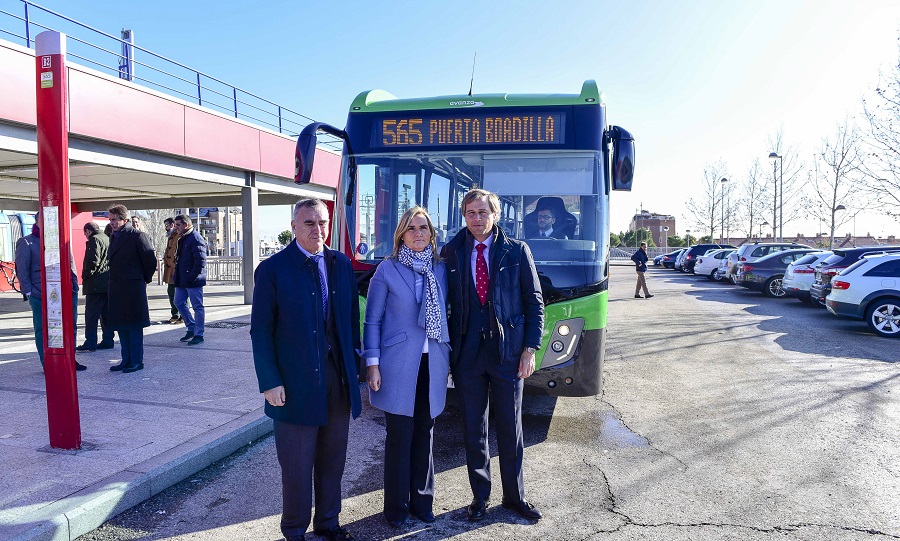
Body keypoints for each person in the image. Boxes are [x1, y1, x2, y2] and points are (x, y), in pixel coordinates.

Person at [251, 198, 362, 541]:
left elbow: (349, 322)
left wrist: (356, 369)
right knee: (297, 466)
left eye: (323, 222)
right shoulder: (272, 270)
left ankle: (328, 522)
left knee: (332, 459)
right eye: (309, 223)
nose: (318, 229)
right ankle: (295, 529)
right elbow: (261, 330)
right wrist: (269, 381)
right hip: (294, 383)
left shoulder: (341, 264)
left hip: (337, 379)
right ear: (295, 226)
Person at [440, 188, 544, 522]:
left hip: (508, 355)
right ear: (464, 215)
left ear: (495, 215)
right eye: (470, 213)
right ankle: (479, 497)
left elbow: (534, 303)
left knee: (511, 429)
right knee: (474, 429)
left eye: (483, 212)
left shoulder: (516, 251)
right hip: (468, 356)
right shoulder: (452, 252)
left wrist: (529, 349)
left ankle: (515, 498)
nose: (477, 218)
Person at [363, 207, 450, 528]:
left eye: (423, 228)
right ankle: (396, 508)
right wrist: (372, 364)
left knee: (425, 433)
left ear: (431, 234)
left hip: (433, 362)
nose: (417, 233)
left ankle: (422, 501)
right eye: (411, 228)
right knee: (400, 435)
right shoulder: (387, 269)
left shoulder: (440, 269)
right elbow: (372, 320)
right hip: (397, 364)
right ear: (401, 233)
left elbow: (447, 313)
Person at [15, 214, 86, 371]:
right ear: (38, 221)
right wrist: (29, 292)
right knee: (43, 329)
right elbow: (22, 270)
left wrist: (74, 284)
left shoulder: (61, 240)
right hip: (40, 294)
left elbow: (71, 262)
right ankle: (47, 363)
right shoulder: (26, 242)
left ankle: (70, 360)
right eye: (45, 219)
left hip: (66, 292)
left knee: (69, 327)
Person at [107, 204, 157, 373]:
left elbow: (150, 261)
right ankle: (126, 359)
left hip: (133, 288)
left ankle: (136, 361)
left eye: (114, 220)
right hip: (117, 288)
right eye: (110, 220)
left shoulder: (138, 236)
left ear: (124, 220)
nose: (112, 223)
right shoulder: (114, 236)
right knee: (121, 325)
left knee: (134, 326)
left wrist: (142, 279)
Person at [76, 222, 114, 352]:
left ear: (88, 231)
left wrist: (85, 276)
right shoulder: (107, 238)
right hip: (107, 282)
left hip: (95, 284)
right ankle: (108, 340)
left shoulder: (94, 240)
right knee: (106, 314)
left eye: (85, 233)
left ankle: (90, 341)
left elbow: (92, 262)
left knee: (92, 315)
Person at [173, 214, 207, 346]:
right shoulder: (183, 238)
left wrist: (192, 277)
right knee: (178, 302)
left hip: (192, 280)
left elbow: (201, 261)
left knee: (197, 307)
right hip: (182, 279)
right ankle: (191, 327)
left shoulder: (195, 238)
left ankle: (199, 334)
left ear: (185, 225)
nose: (176, 228)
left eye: (178, 225)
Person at [161, 217, 182, 324]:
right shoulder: (171, 237)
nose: (166, 228)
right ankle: (175, 315)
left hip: (176, 271)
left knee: (181, 293)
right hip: (170, 270)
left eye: (167, 225)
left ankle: (182, 316)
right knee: (171, 293)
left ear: (172, 225)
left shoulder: (178, 236)